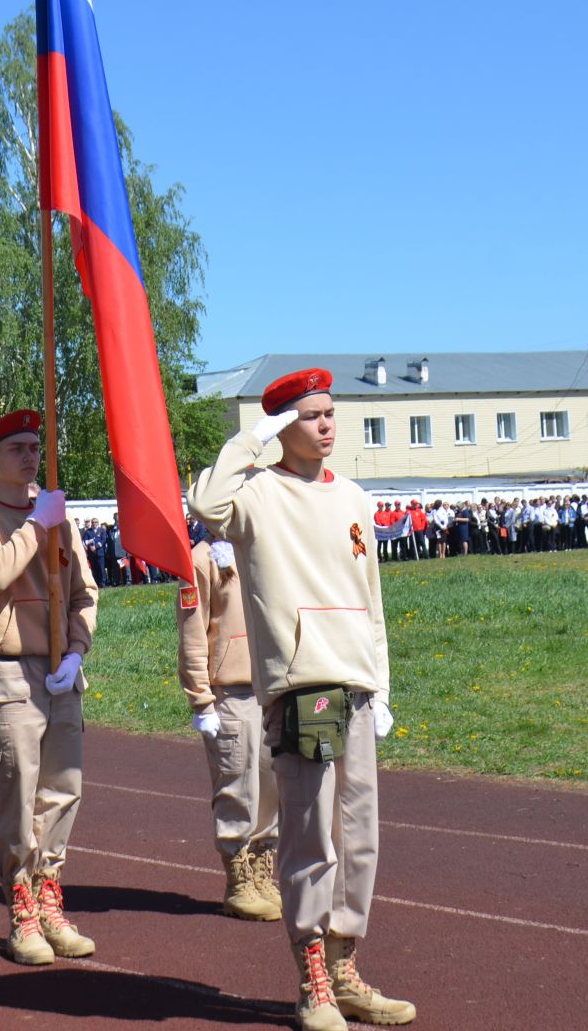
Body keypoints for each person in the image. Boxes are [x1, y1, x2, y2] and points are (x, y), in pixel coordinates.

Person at [189, 368, 415, 1030]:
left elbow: (371, 596)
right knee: (312, 832)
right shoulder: (256, 496)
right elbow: (206, 503)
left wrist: (382, 682)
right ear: (284, 426)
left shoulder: (352, 496)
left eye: (329, 413)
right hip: (304, 682)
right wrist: (251, 438)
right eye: (310, 415)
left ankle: (346, 967)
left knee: (359, 834)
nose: (325, 425)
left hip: (356, 681)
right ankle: (312, 970)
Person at [0, 409, 100, 967]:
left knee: (63, 789)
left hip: (59, 669)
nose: (30, 456)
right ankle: (21, 905)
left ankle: (50, 894)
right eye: (16, 448)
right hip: (9, 670)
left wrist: (78, 650)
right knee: (16, 792)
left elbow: (85, 594)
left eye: (35, 446)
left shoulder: (58, 517)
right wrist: (37, 524)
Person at [180, 530, 281, 921]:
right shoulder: (202, 559)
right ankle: (239, 880)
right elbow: (192, 631)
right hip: (230, 691)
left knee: (272, 785)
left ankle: (261, 871)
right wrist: (200, 697)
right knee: (237, 785)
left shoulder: (262, 546)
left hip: (271, 687)